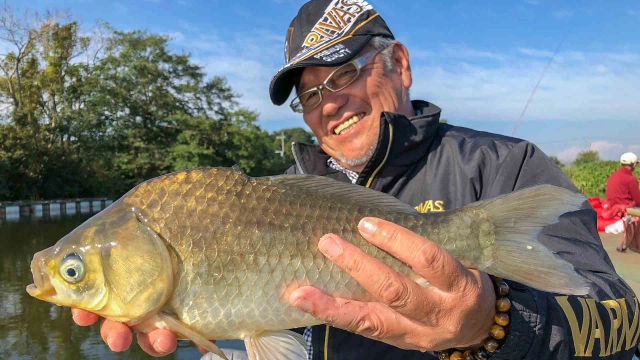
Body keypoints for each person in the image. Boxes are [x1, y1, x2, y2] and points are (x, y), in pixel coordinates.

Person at [72, 0, 640, 359]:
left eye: (343, 72)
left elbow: (623, 319)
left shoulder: (506, 167)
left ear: (400, 63)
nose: (328, 104)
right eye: (308, 95)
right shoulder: (275, 192)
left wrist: (495, 323)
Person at [605, 152, 640, 252]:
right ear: (634, 164)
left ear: (621, 164)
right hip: (625, 208)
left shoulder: (613, 175)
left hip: (612, 207)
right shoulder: (631, 178)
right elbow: (638, 201)